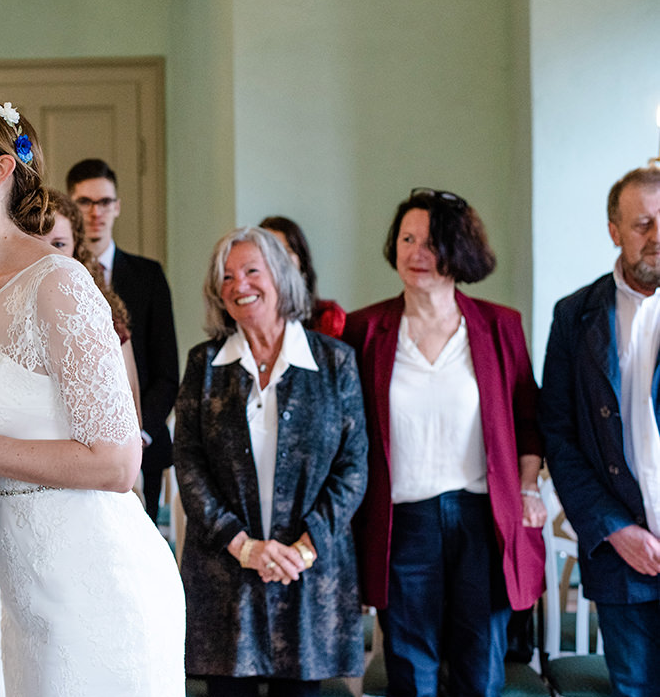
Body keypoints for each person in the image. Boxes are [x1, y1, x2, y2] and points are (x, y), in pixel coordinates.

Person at [0, 95, 185, 695]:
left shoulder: (61, 283)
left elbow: (117, 462)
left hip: (98, 587)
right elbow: (16, 471)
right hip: (28, 593)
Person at [342, 188, 545, 697]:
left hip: (482, 516)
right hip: (402, 519)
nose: (416, 254)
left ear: (459, 251)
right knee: (411, 669)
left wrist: (527, 488)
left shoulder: (501, 326)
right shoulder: (366, 331)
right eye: (407, 239)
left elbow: (528, 420)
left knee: (481, 666)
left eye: (431, 242)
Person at [174, 226, 368, 697]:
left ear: (282, 277)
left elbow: (353, 467)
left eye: (251, 271)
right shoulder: (203, 364)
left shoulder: (336, 361)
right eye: (226, 277)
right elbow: (189, 463)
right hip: (224, 576)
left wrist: (302, 549)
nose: (239, 285)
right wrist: (244, 547)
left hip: (308, 576)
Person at [0, 188, 142, 545]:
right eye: (34, 240)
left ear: (78, 249)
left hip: (71, 529)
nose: (44, 253)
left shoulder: (83, 308)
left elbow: (120, 444)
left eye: (59, 244)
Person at [539, 164, 660, 697]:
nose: (657, 236)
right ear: (614, 231)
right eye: (643, 224)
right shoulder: (574, 316)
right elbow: (558, 437)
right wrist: (614, 528)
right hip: (623, 555)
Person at [66, 158, 179, 522]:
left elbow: (166, 372)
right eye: (85, 202)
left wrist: (139, 436)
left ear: (117, 206)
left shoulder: (148, 276)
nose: (96, 212)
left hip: (144, 445)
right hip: (73, 447)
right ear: (71, 206)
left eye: (105, 202)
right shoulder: (60, 276)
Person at [259, 215, 346, 338]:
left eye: (286, 252)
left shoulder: (327, 317)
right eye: (268, 253)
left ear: (302, 261)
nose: (276, 261)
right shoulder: (246, 316)